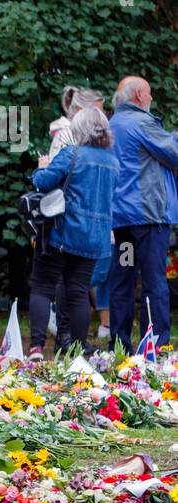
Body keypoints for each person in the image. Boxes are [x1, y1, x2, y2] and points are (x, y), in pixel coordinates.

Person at [27, 107, 120, 358]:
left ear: (78, 130)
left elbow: (43, 182)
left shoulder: (72, 153)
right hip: (95, 238)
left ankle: (36, 347)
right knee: (78, 292)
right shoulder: (113, 161)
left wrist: (40, 167)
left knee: (42, 287)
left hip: (62, 232)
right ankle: (76, 350)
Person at [107, 76, 178, 347]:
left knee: (123, 280)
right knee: (153, 281)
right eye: (149, 93)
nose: (151, 98)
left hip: (123, 222)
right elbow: (174, 154)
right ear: (138, 95)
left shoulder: (112, 124)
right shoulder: (142, 122)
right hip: (149, 218)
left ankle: (119, 345)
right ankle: (156, 345)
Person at [46, 86, 109, 347]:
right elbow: (54, 177)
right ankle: (67, 335)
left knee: (77, 283)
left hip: (82, 219)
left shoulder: (85, 142)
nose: (103, 115)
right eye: (99, 109)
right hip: (73, 220)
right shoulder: (68, 138)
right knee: (73, 283)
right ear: (83, 111)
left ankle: (71, 337)